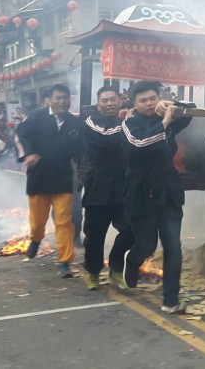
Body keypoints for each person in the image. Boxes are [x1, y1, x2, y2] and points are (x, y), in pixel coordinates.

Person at [119, 81, 194, 314]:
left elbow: (191, 109)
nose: (149, 103)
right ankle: (132, 262)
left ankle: (170, 300)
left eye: (153, 98)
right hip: (141, 190)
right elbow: (140, 144)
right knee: (147, 245)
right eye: (143, 100)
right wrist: (165, 122)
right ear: (135, 103)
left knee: (173, 245)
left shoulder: (167, 114)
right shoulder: (129, 124)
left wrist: (171, 104)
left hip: (168, 189)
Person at [15, 83, 82, 278]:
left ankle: (64, 261)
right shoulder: (36, 117)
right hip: (39, 177)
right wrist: (28, 154)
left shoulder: (74, 123)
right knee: (38, 221)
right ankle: (36, 239)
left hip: (62, 178)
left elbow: (80, 150)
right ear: (49, 100)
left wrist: (83, 171)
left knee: (64, 221)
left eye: (65, 98)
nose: (62, 101)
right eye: (58, 97)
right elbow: (19, 135)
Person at [81, 86, 135, 290]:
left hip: (124, 185)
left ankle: (115, 266)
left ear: (121, 100)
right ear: (98, 105)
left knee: (132, 230)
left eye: (113, 99)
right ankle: (93, 272)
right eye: (105, 100)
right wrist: (128, 122)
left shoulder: (129, 121)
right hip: (99, 186)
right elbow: (107, 137)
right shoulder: (91, 122)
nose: (109, 104)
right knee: (95, 235)